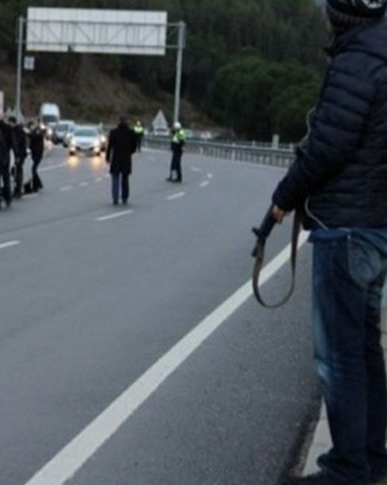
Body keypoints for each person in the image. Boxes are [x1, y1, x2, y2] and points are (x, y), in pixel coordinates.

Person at [271, 2, 387, 484]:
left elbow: (328, 145)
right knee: (363, 348)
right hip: (376, 225)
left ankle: (347, 467)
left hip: (346, 226)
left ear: (341, 16)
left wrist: (284, 196)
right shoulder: (380, 55)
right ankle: (371, 457)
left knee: (339, 354)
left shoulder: (355, 62)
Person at [105, 117, 137, 205]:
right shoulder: (131, 133)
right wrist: (129, 152)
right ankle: (124, 197)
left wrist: (107, 157)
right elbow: (134, 147)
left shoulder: (114, 132)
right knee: (125, 179)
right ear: (127, 123)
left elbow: (109, 146)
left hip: (116, 158)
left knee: (115, 178)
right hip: (126, 159)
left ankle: (115, 198)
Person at [0, 110, 13, 207]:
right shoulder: (8, 128)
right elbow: (11, 142)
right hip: (5, 154)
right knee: (6, 177)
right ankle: (8, 198)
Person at [10, 116, 28, 198]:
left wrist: (18, 156)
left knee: (18, 172)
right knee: (16, 172)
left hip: (19, 155)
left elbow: (19, 145)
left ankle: (18, 190)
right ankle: (17, 189)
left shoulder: (18, 131)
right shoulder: (15, 130)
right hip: (18, 154)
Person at [27, 121, 45, 192]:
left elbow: (34, 137)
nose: (30, 128)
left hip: (38, 153)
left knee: (33, 169)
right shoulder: (34, 131)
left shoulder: (37, 131)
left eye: (31, 126)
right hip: (34, 153)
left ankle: (37, 184)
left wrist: (28, 133)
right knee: (33, 170)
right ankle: (36, 185)